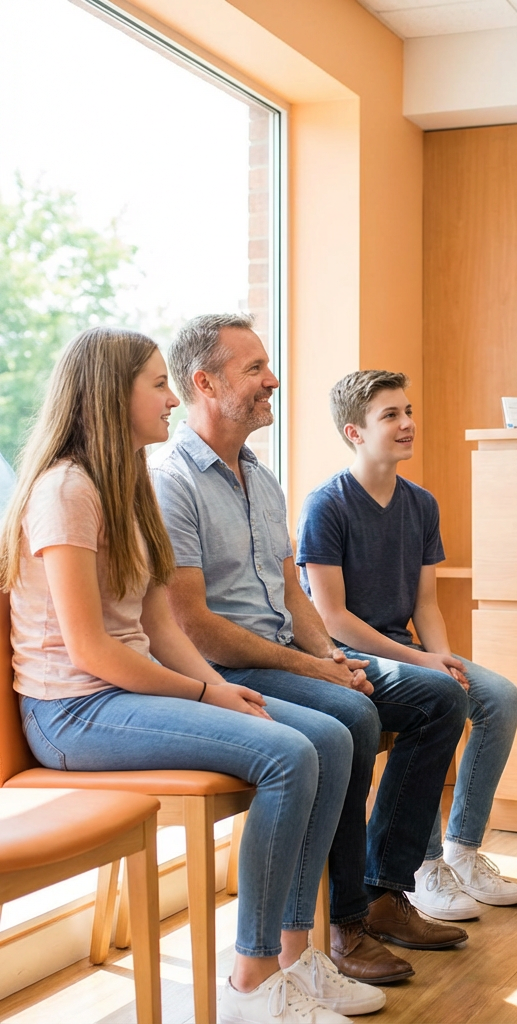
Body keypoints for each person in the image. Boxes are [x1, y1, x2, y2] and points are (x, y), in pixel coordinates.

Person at [0, 326, 384, 1024]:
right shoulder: (65, 492)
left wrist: (219, 689)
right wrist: (208, 690)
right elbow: (91, 650)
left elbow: (160, 629)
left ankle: (298, 960)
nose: (171, 398)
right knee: (289, 752)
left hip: (126, 691)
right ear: (110, 397)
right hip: (72, 713)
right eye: (156, 384)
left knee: (329, 737)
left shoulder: (130, 490)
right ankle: (251, 981)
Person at [150, 314, 469, 986]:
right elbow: (195, 628)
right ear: (204, 383)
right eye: (254, 369)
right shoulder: (172, 483)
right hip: (230, 667)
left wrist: (331, 653)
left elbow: (295, 598)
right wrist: (315, 666)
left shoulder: (262, 479)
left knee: (440, 696)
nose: (272, 380)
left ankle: (385, 888)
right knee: (351, 716)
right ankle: (343, 924)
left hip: (290, 655)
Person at [296, 371, 517, 922]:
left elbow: (425, 604)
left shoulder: (421, 504)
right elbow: (332, 618)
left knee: (500, 696)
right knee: (436, 694)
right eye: (391, 415)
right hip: (342, 654)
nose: (408, 424)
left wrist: (443, 657)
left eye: (408, 411)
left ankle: (462, 850)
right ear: (355, 431)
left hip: (405, 647)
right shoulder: (326, 506)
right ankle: (419, 866)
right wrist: (428, 664)